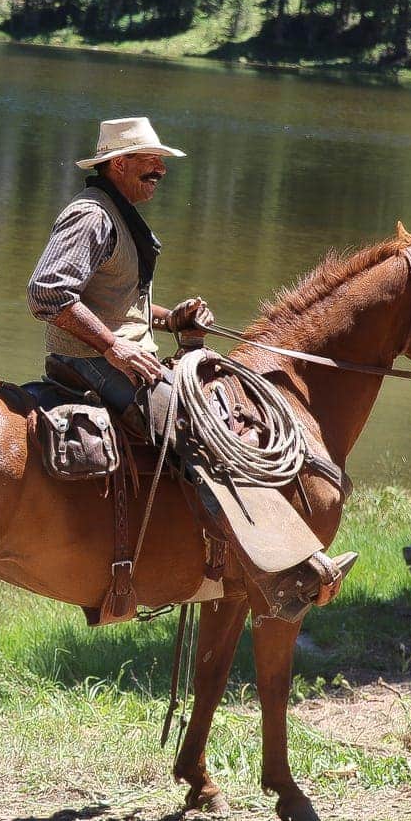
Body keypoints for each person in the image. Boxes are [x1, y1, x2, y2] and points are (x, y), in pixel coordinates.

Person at [27, 116, 349, 620]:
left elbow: (115, 304)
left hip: (113, 353)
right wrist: (115, 348)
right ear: (117, 164)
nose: (160, 169)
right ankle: (278, 572)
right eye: (148, 161)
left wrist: (169, 318)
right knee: (202, 428)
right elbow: (47, 292)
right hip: (88, 361)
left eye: (161, 162)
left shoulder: (118, 213)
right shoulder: (92, 216)